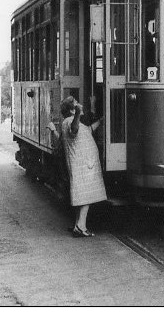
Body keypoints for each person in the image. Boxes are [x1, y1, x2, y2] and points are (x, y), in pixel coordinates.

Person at [49, 96, 106, 237]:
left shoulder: (71, 122)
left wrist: (101, 121)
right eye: (77, 104)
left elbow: (88, 130)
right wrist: (78, 114)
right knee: (86, 196)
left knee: (81, 196)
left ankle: (77, 224)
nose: (80, 104)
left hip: (84, 164)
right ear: (72, 110)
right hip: (83, 165)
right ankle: (81, 227)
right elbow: (74, 130)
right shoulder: (70, 122)